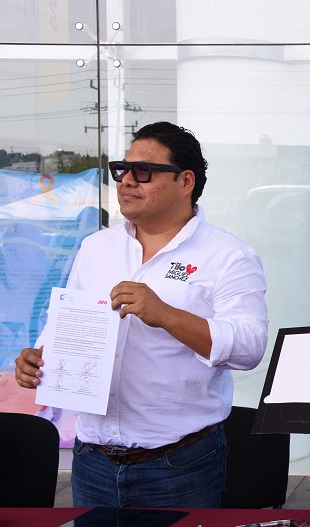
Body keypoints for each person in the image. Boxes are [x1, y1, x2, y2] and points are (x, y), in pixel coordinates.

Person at [14, 122, 269, 508]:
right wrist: (37, 357)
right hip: (91, 460)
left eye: (144, 171)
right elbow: (63, 325)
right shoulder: (96, 247)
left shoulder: (228, 255)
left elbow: (248, 348)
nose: (126, 181)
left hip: (178, 462)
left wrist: (166, 315)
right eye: (122, 169)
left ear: (186, 181)